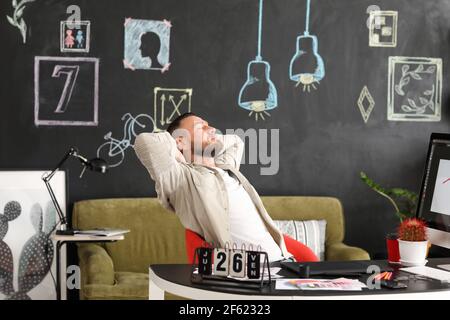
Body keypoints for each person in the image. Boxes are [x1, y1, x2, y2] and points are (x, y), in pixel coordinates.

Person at [134, 112, 317, 262]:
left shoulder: (225, 167)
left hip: (286, 263)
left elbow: (236, 141)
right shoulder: (181, 178)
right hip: (254, 275)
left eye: (209, 125)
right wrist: (175, 149)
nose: (211, 128)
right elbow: (144, 142)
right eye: (200, 126)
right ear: (179, 140)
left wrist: (206, 136)